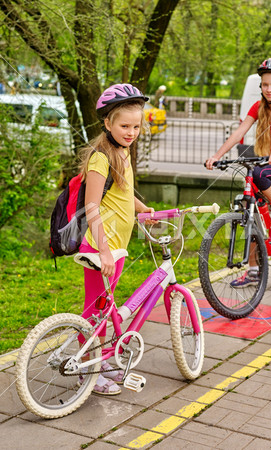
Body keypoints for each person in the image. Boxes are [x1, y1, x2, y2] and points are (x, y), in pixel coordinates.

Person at [77, 83, 155, 395]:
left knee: (104, 307)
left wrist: (141, 207)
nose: (131, 132)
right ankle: (89, 371)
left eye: (136, 126)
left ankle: (102, 359)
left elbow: (121, 192)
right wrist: (105, 252)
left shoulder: (122, 152)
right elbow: (91, 205)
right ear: (108, 123)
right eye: (124, 125)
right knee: (95, 310)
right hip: (100, 247)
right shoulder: (101, 158)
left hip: (116, 248)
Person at [206, 58, 271, 288]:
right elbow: (239, 131)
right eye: (265, 84)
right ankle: (253, 270)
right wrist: (217, 156)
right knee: (249, 210)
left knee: (259, 174)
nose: (269, 89)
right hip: (269, 164)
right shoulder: (257, 109)